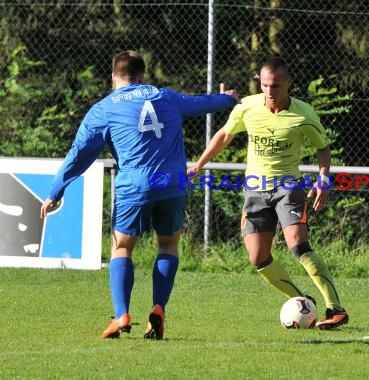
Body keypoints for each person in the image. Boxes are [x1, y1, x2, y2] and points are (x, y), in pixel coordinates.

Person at [40, 50, 238, 339]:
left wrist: (55, 191)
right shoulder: (164, 96)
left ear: (113, 77)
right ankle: (158, 309)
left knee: (121, 248)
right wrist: (227, 99)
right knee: (168, 244)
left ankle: (121, 314)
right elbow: (201, 103)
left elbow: (78, 154)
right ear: (142, 75)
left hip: (134, 186)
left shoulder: (104, 109)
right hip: (171, 184)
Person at [187, 57, 349, 329]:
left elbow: (322, 147)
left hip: (289, 187)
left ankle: (336, 308)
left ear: (288, 83)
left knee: (298, 244)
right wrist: (199, 164)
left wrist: (323, 178)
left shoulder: (304, 114)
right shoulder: (248, 107)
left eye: (275, 86)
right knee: (258, 257)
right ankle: (301, 301)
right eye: (264, 86)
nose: (270, 92)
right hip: (255, 190)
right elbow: (225, 135)